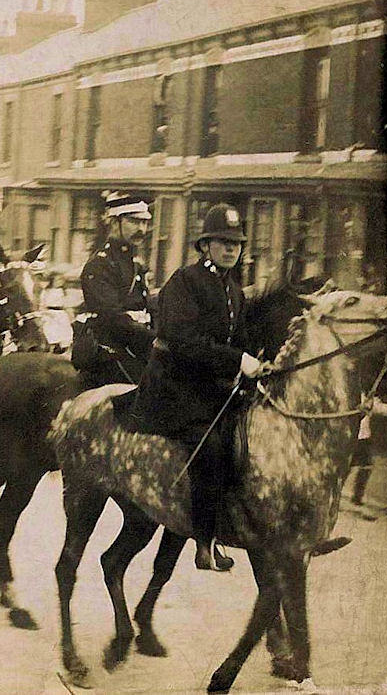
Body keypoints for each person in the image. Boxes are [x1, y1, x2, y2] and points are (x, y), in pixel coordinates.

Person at [135, 203, 264, 572]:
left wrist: (255, 362)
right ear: (205, 245)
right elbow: (182, 341)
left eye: (236, 243)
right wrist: (236, 360)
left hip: (212, 388)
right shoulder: (185, 281)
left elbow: (239, 340)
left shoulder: (234, 291)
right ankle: (205, 541)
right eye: (222, 242)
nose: (230, 249)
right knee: (210, 446)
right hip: (174, 386)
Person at [72, 192, 156, 389]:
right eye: (134, 222)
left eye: (144, 223)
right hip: (110, 350)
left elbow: (146, 306)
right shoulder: (100, 265)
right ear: (114, 222)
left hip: (135, 346)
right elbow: (112, 318)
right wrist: (153, 338)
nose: (141, 229)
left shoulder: (135, 263)